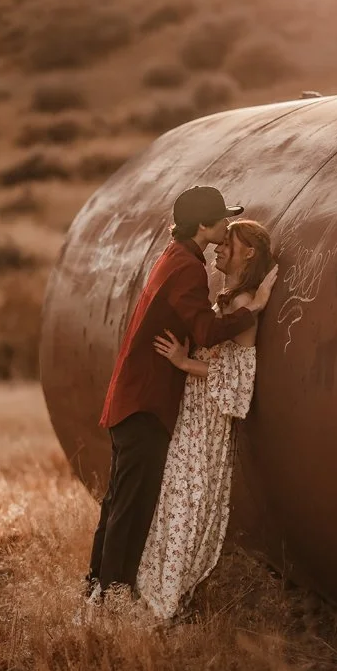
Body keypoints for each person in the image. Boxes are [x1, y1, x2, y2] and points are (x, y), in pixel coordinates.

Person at [86, 186, 276, 600]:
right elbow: (206, 331)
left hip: (131, 398)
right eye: (222, 220)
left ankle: (96, 590)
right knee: (131, 509)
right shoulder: (188, 268)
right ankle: (113, 595)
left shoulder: (174, 257)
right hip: (147, 404)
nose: (226, 228)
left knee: (118, 501)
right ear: (203, 226)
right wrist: (255, 307)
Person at [136, 219, 277, 621]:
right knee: (176, 499)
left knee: (188, 501)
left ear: (248, 253)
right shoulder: (231, 298)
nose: (219, 248)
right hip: (194, 412)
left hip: (208, 421)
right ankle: (157, 594)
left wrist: (183, 362)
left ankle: (165, 601)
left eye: (228, 244)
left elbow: (238, 381)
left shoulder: (243, 301)